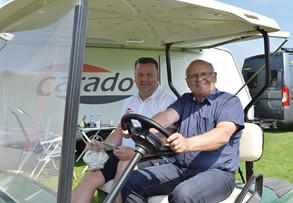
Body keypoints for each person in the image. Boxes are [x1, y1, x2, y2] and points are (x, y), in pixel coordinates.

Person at [121, 59, 245, 203]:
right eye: (193, 76)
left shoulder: (229, 101)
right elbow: (166, 117)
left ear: (214, 77)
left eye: (204, 74)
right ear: (187, 82)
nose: (199, 79)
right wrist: (142, 129)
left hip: (217, 173)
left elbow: (222, 135)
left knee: (183, 195)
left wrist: (187, 144)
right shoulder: (185, 100)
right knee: (131, 180)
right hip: (180, 169)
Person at [71, 57, 176, 203]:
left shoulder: (167, 102)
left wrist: (134, 153)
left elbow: (165, 140)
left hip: (153, 157)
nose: (144, 79)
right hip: (124, 155)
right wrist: (102, 146)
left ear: (157, 77)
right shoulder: (130, 101)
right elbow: (119, 132)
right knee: (90, 177)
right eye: (140, 75)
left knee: (124, 165)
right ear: (134, 77)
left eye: (149, 75)